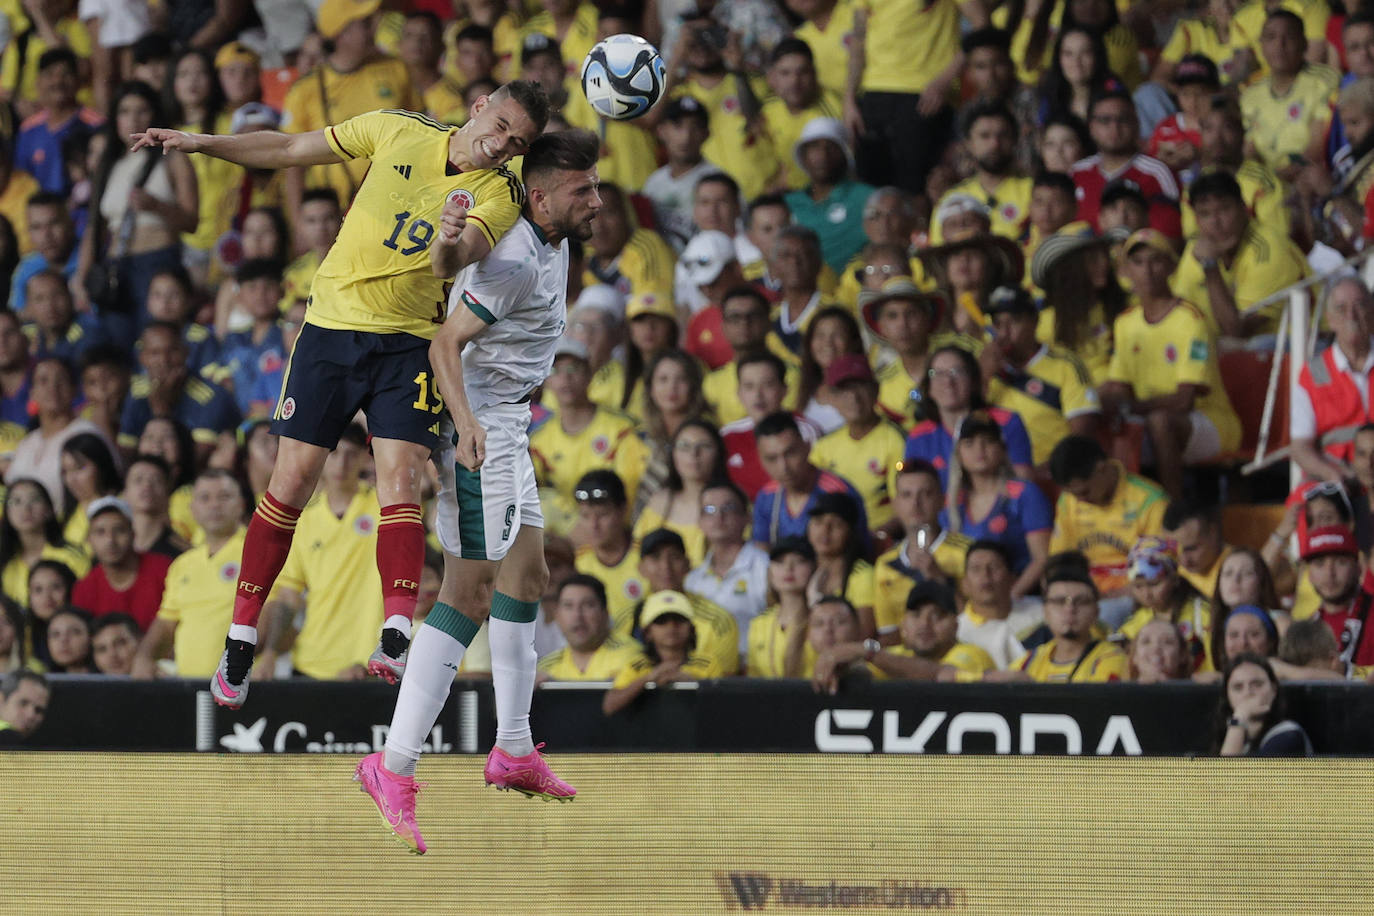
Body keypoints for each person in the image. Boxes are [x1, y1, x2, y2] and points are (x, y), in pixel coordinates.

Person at [132, 81, 552, 708]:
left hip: (409, 342)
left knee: (401, 476)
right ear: (479, 107)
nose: (500, 147)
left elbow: (452, 261)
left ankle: (395, 631)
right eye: (500, 127)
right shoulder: (397, 128)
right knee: (291, 481)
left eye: (516, 144)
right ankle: (241, 636)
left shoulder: (499, 194)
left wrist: (446, 237)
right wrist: (204, 143)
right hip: (331, 328)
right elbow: (289, 148)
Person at [357, 130, 601, 848]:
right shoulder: (519, 257)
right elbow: (443, 344)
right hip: (480, 430)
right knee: (467, 592)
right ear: (544, 192)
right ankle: (393, 765)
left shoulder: (553, 245)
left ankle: (515, 749)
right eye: (583, 189)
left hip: (508, 424)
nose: (596, 199)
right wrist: (464, 429)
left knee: (528, 573)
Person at [1104, 229, 1242, 497]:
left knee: (1160, 421)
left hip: (1210, 421)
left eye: (1156, 261)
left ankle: (1172, 512)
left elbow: (1184, 401)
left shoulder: (1191, 319)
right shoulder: (1125, 321)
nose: (1147, 270)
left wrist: (1130, 406)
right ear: (1126, 271)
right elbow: (1119, 383)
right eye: (1138, 262)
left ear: (1171, 266)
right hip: (1151, 417)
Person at [253, 424, 385, 682]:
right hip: (311, 662)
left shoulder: (385, 508)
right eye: (334, 454)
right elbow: (289, 595)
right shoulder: (303, 522)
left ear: (364, 457)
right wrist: (270, 653)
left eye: (351, 454)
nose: (342, 463)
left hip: (373, 661)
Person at [74, 81, 198, 347]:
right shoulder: (109, 164)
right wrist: (81, 277)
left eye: (142, 111)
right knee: (118, 347)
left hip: (158, 263)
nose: (133, 119)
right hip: (116, 268)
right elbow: (95, 227)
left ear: (155, 115)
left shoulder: (173, 157)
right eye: (124, 111)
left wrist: (157, 206)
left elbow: (191, 222)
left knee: (156, 343)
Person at [279, 0, 419, 221]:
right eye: (364, 23)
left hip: (395, 205)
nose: (374, 27)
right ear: (341, 34)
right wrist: (299, 224)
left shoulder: (396, 69)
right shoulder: (305, 90)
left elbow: (419, 135)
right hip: (332, 215)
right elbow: (293, 163)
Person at [844, 0, 981, 196]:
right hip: (873, 94)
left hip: (925, 96)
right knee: (872, 193)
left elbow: (981, 23)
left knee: (917, 190)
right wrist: (849, 99)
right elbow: (858, 39)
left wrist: (945, 79)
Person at [132, 469, 247, 679]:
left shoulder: (256, 553)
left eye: (224, 497)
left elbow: (272, 608)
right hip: (189, 685)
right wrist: (144, 656)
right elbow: (167, 621)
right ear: (193, 509)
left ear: (241, 505)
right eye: (205, 498)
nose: (214, 505)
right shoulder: (182, 564)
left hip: (242, 685)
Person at [1170, 170, 1308, 339]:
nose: (1216, 222)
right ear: (1197, 220)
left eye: (1224, 209)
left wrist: (1211, 268)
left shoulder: (1267, 251)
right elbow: (1176, 313)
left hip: (1295, 345)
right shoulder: (1197, 248)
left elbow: (1237, 331)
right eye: (1205, 214)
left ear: (1244, 209)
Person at [1048, 436, 1168, 627]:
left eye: (1084, 492)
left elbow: (1158, 571)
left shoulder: (1150, 500)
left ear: (1101, 469)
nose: (1079, 500)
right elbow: (1059, 563)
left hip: (1131, 595)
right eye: (1073, 494)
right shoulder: (1068, 500)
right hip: (1083, 595)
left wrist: (1113, 595)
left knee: (1097, 620)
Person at [529, 336, 647, 530]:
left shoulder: (621, 429)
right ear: (546, 380)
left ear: (590, 375)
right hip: (566, 538)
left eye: (573, 369)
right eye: (555, 371)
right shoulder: (539, 441)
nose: (565, 378)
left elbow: (632, 490)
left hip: (616, 529)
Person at [984, 285, 1100, 468]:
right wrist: (983, 374)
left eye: (1014, 321)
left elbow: (1081, 439)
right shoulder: (985, 367)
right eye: (998, 324)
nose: (1005, 333)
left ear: (1035, 321)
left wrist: (1045, 471)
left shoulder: (1067, 365)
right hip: (996, 474)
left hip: (1053, 472)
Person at [946, 411, 1053, 600]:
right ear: (958, 454)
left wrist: (1010, 598)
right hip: (975, 604)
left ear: (1002, 450)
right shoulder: (955, 502)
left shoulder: (1024, 493)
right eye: (969, 444)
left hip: (1023, 598)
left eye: (988, 441)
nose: (979, 449)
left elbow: (1042, 558)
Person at [904, 345, 1034, 487]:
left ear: (973, 381)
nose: (948, 382)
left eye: (957, 372)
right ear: (928, 387)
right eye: (938, 374)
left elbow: (1022, 487)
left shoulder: (1006, 422)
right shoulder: (918, 437)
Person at [873, 460, 973, 641]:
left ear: (942, 500)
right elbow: (889, 634)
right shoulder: (885, 564)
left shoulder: (968, 552)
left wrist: (939, 578)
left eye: (925, 494)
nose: (915, 503)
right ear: (895, 505)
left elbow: (978, 622)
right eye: (906, 495)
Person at [116, 322, 241, 464]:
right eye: (154, 353)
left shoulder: (210, 397)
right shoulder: (136, 393)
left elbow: (194, 461)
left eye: (172, 351)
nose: (164, 361)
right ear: (142, 358)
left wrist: (161, 410)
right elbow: (125, 455)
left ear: (185, 353)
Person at [809, 354, 907, 530]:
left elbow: (905, 507)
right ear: (832, 397)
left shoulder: (897, 440)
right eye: (844, 390)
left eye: (860, 387)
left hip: (881, 538)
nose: (853, 397)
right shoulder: (824, 446)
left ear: (876, 390)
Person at [1292, 276, 1374, 482]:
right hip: (1335, 478)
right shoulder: (1312, 373)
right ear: (1329, 319)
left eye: (1360, 306)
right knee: (1299, 514)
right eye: (1341, 308)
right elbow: (1300, 447)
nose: (1351, 315)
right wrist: (1332, 475)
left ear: (1372, 311)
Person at [1239, 10, 1339, 178]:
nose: (1280, 44)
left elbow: (1316, 147)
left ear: (1304, 43)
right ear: (1261, 44)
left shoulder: (1324, 81)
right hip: (1267, 183)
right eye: (1271, 37)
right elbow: (1250, 151)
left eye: (1290, 37)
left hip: (1310, 178)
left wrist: (1279, 178)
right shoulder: (1250, 93)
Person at [1070, 88, 1181, 238]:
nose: (1114, 127)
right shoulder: (1076, 173)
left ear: (1137, 124)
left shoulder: (1158, 172)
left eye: (1123, 119)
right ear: (1091, 127)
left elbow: (1170, 232)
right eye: (1105, 120)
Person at [602, 590, 728, 716]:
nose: (671, 626)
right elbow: (609, 705)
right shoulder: (637, 666)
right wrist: (649, 678)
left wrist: (689, 683)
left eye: (679, 619)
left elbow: (720, 708)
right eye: (661, 621)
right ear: (647, 632)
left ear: (691, 629)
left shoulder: (708, 663)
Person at [1030, 223, 1128, 385]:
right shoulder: (1046, 324)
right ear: (1070, 270)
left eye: (1104, 255)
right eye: (1092, 259)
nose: (1104, 263)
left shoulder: (1125, 306)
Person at [752, 411, 868, 548]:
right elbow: (761, 549)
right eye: (772, 458)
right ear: (761, 460)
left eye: (790, 453)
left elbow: (859, 552)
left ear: (807, 447)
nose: (783, 467)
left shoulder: (839, 492)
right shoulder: (766, 496)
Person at [999, 562, 1128, 682]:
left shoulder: (1112, 657)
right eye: (1059, 601)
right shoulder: (1028, 661)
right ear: (1045, 612)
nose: (1069, 609)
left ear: (1096, 612)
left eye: (1081, 601)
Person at [721, 353, 823, 500]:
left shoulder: (805, 431)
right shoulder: (726, 435)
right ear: (739, 393)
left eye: (768, 385)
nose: (758, 395)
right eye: (749, 387)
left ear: (784, 390)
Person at [685, 480, 770, 654]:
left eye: (728, 508)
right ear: (700, 521)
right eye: (709, 510)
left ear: (747, 517)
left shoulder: (765, 567)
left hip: (754, 672)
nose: (719, 517)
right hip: (705, 672)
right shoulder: (692, 579)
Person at [932, 101, 1032, 243]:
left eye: (1003, 135)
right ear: (968, 144)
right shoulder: (951, 199)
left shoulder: (1034, 191)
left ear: (1015, 141)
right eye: (985, 136)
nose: (994, 144)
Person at [785, 118, 874, 275]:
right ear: (803, 157)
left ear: (845, 155)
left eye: (831, 147)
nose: (822, 155)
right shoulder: (788, 203)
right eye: (814, 147)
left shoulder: (867, 196)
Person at [70, 496, 172, 632]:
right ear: (89, 540)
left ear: (133, 534)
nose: (110, 540)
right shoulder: (84, 590)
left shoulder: (164, 569)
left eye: (119, 530)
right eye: (100, 532)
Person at [633, 419, 726, 567]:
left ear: (719, 453)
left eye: (704, 446)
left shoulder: (731, 504)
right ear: (673, 453)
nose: (694, 454)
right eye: (684, 446)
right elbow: (637, 558)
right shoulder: (658, 502)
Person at [1117, 536, 1211, 670]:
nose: (1146, 593)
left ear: (1174, 579)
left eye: (1154, 584)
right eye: (1138, 586)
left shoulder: (1201, 614)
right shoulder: (1136, 622)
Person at [859, 278, 945, 423]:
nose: (902, 324)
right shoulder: (881, 387)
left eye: (911, 314)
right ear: (882, 327)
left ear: (927, 318)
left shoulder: (960, 356)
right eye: (892, 316)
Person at [641, 96, 718, 251]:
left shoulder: (717, 183)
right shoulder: (653, 183)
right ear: (661, 131)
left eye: (695, 127)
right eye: (678, 126)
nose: (686, 136)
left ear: (706, 134)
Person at [0, 479, 89, 609]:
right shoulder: (6, 563)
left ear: (48, 510)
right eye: (16, 501)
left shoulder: (71, 556)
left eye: (34, 499)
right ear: (7, 513)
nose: (26, 508)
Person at [536, 574, 642, 682]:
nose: (577, 615)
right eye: (568, 606)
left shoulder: (630, 656)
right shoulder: (545, 669)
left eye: (588, 605)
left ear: (605, 613)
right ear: (557, 616)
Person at [957, 541, 1044, 668]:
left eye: (994, 567)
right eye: (976, 569)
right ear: (964, 583)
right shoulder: (959, 633)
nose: (985, 576)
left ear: (1012, 578)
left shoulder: (1042, 614)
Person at [1300, 524, 1374, 666]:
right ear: (1309, 575)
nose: (1330, 574)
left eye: (1341, 562)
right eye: (1320, 563)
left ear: (1359, 568)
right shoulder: (1308, 626)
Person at [1216, 653, 1313, 756]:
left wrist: (1239, 719)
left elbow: (1227, 771)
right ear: (1227, 695)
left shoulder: (1288, 735)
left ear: (1273, 690)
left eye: (1257, 684)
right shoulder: (1224, 735)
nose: (1248, 693)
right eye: (1238, 687)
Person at [10, 192, 78, 314]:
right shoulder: (26, 269)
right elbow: (18, 316)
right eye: (36, 227)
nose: (46, 235)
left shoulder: (91, 256)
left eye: (54, 224)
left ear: (71, 225)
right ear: (29, 233)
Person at [1164, 498, 1235, 602]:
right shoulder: (1168, 568)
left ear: (1213, 532)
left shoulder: (1237, 569)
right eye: (1175, 550)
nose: (1184, 561)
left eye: (1191, 549)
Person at [1131, 618, 1194, 683]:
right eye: (1146, 641)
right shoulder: (1121, 692)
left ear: (1182, 654)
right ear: (1135, 656)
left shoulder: (1200, 691)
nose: (1155, 648)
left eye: (1167, 642)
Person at [0, 670, 49, 744]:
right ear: (1, 700)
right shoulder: (7, 737)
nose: (30, 715)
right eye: (23, 703)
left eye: (39, 710)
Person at [46, 606, 94, 673]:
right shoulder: (39, 680)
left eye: (74, 632)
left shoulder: (110, 677)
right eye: (55, 634)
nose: (63, 640)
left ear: (92, 638)